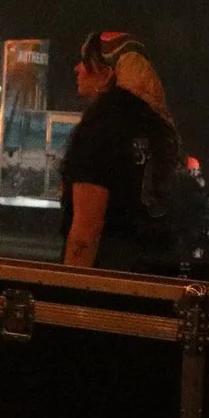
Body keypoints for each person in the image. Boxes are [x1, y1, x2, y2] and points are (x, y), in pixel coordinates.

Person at [61, 31, 179, 273]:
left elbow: (86, 232)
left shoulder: (101, 127)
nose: (77, 69)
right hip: (158, 274)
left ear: (107, 74)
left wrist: (69, 290)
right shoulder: (160, 128)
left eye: (86, 63)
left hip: (107, 276)